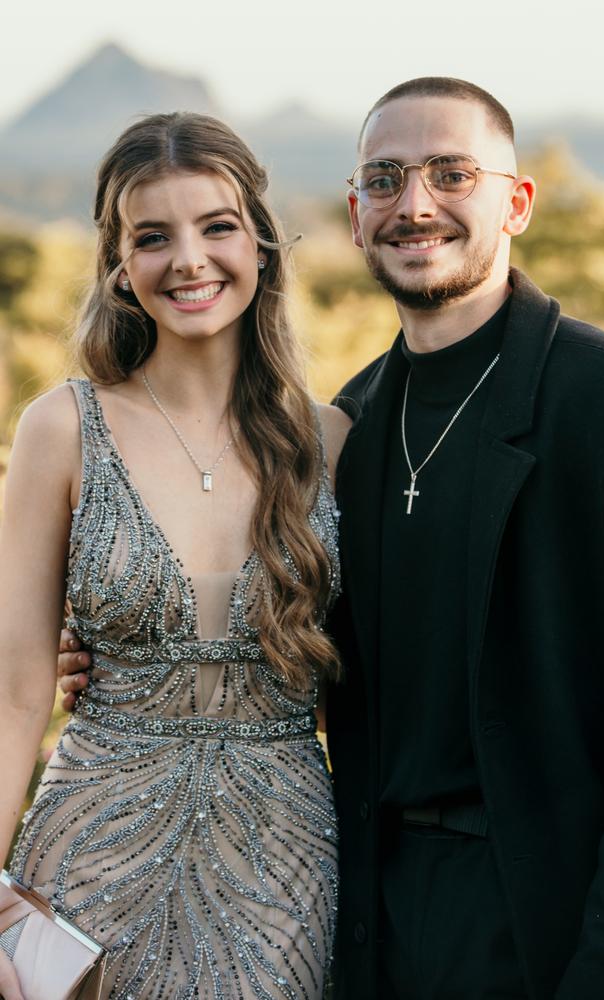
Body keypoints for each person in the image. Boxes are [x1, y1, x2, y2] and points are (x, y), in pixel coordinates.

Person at [58, 79, 604, 999]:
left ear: (517, 202)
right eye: (386, 179)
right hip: (361, 919)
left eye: (453, 173)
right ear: (356, 214)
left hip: (555, 924)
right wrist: (126, 648)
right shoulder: (345, 434)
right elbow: (309, 651)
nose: (417, 205)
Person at [0, 111, 350, 1000]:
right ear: (120, 265)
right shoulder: (61, 428)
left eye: (217, 226)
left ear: (263, 244)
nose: (189, 260)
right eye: (153, 237)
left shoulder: (333, 441)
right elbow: (13, 690)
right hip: (86, 856)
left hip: (283, 867)